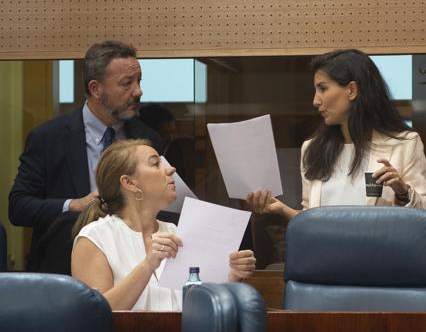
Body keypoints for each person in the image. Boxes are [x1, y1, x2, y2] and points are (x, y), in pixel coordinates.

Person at [9, 40, 161, 274]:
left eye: (139, 81)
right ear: (96, 89)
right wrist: (74, 205)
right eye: (126, 83)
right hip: (65, 270)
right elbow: (19, 207)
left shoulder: (148, 138)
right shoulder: (48, 138)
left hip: (135, 268)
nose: (138, 91)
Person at [246, 49, 426, 219]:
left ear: (351, 90)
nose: (315, 101)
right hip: (326, 255)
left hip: (380, 254)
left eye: (323, 88)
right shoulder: (312, 149)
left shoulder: (405, 144)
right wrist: (282, 209)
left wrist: (402, 191)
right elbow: (312, 220)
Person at [71, 139, 256, 311]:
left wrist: (232, 277)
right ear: (129, 182)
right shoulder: (95, 238)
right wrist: (147, 265)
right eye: (155, 163)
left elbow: (203, 308)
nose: (171, 169)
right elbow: (94, 315)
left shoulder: (179, 232)